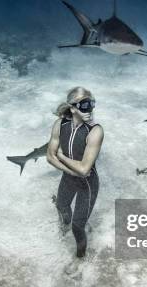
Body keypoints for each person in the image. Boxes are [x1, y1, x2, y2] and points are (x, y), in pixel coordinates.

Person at [46, 87, 104, 258]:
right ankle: (64, 230)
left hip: (88, 184)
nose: (90, 110)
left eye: (92, 104)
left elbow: (85, 169)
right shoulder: (60, 124)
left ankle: (80, 258)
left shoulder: (96, 131)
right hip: (69, 178)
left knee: (78, 227)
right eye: (84, 105)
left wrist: (61, 156)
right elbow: (49, 157)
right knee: (61, 207)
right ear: (72, 107)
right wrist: (70, 170)